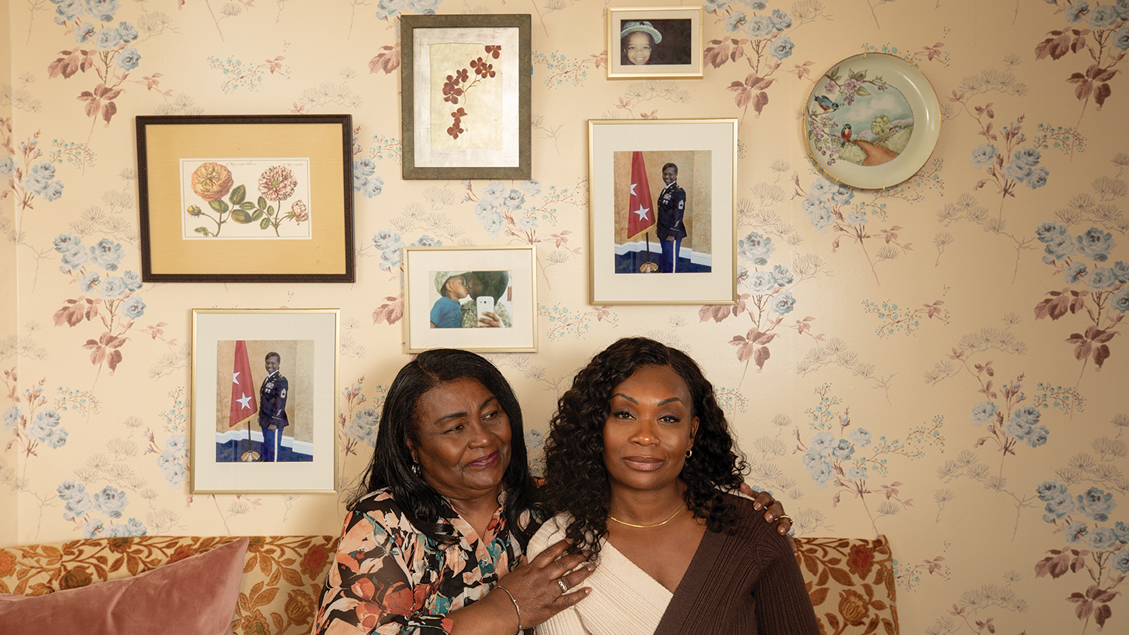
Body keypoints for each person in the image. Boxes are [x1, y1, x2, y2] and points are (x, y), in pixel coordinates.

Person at [313, 349, 792, 634]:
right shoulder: (383, 522)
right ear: (412, 445)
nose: (483, 438)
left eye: (492, 415)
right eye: (455, 428)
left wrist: (745, 504)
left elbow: (646, 479)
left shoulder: (546, 503)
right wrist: (505, 609)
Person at [531, 338, 818, 635]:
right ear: (595, 427)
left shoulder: (753, 527)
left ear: (691, 433)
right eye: (624, 414)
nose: (646, 436)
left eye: (668, 418)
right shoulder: (554, 547)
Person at [258, 352, 289, 462]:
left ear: (278, 364)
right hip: (265, 419)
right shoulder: (268, 379)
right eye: (267, 363)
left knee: (273, 448)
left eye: (273, 363)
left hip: (274, 420)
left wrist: (274, 422)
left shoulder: (281, 380)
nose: (270, 365)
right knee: (267, 443)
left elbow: (280, 402)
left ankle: (274, 469)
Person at [656, 163, 687, 274]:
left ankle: (672, 281)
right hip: (663, 230)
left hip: (672, 232)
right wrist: (658, 228)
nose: (667, 177)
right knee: (665, 255)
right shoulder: (665, 190)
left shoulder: (678, 191)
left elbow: (678, 214)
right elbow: (662, 211)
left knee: (671, 261)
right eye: (665, 174)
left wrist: (672, 233)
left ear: (676, 175)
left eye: (670, 174)